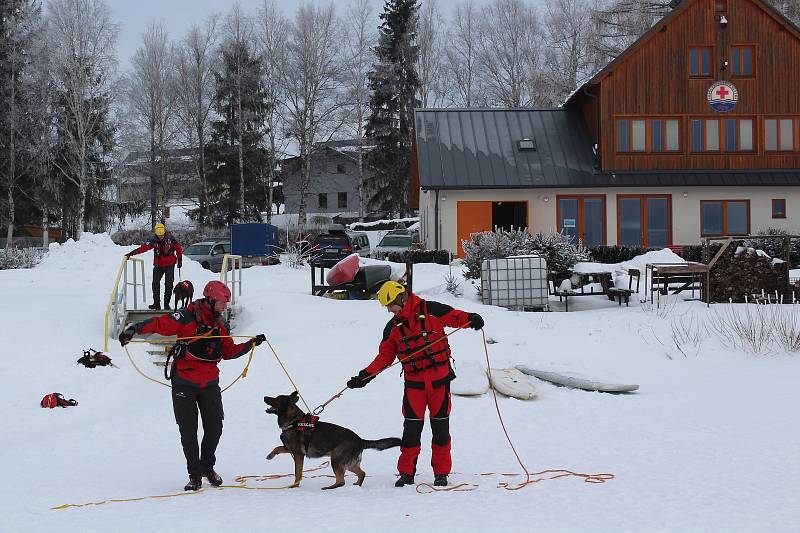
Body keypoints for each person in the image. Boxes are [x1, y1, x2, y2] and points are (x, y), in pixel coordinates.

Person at [119, 280, 267, 491]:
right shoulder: (186, 317)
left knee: (215, 428)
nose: (225, 307)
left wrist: (250, 344)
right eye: (223, 303)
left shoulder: (220, 325)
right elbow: (160, 323)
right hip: (184, 383)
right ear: (211, 299)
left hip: (209, 384)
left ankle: (207, 467)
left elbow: (228, 352)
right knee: (188, 431)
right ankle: (194, 475)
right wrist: (134, 329)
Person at [346, 281, 484, 488]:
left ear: (401, 298)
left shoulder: (431, 310)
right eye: (387, 306)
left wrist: (471, 319)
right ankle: (407, 473)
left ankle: (441, 473)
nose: (389, 310)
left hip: (439, 384)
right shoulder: (392, 328)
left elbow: (455, 316)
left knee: (440, 429)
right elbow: (384, 358)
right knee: (411, 431)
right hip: (415, 387)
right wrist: (365, 376)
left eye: (391, 305)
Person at [125, 223, 183, 310]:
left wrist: (180, 259)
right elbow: (144, 248)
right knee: (155, 283)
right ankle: (156, 304)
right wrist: (132, 253)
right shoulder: (153, 240)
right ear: (156, 233)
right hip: (158, 265)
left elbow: (179, 248)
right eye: (159, 235)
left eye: (162, 234)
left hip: (169, 265)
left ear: (164, 232)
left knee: (169, 284)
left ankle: (166, 304)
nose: (160, 236)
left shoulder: (171, 238)